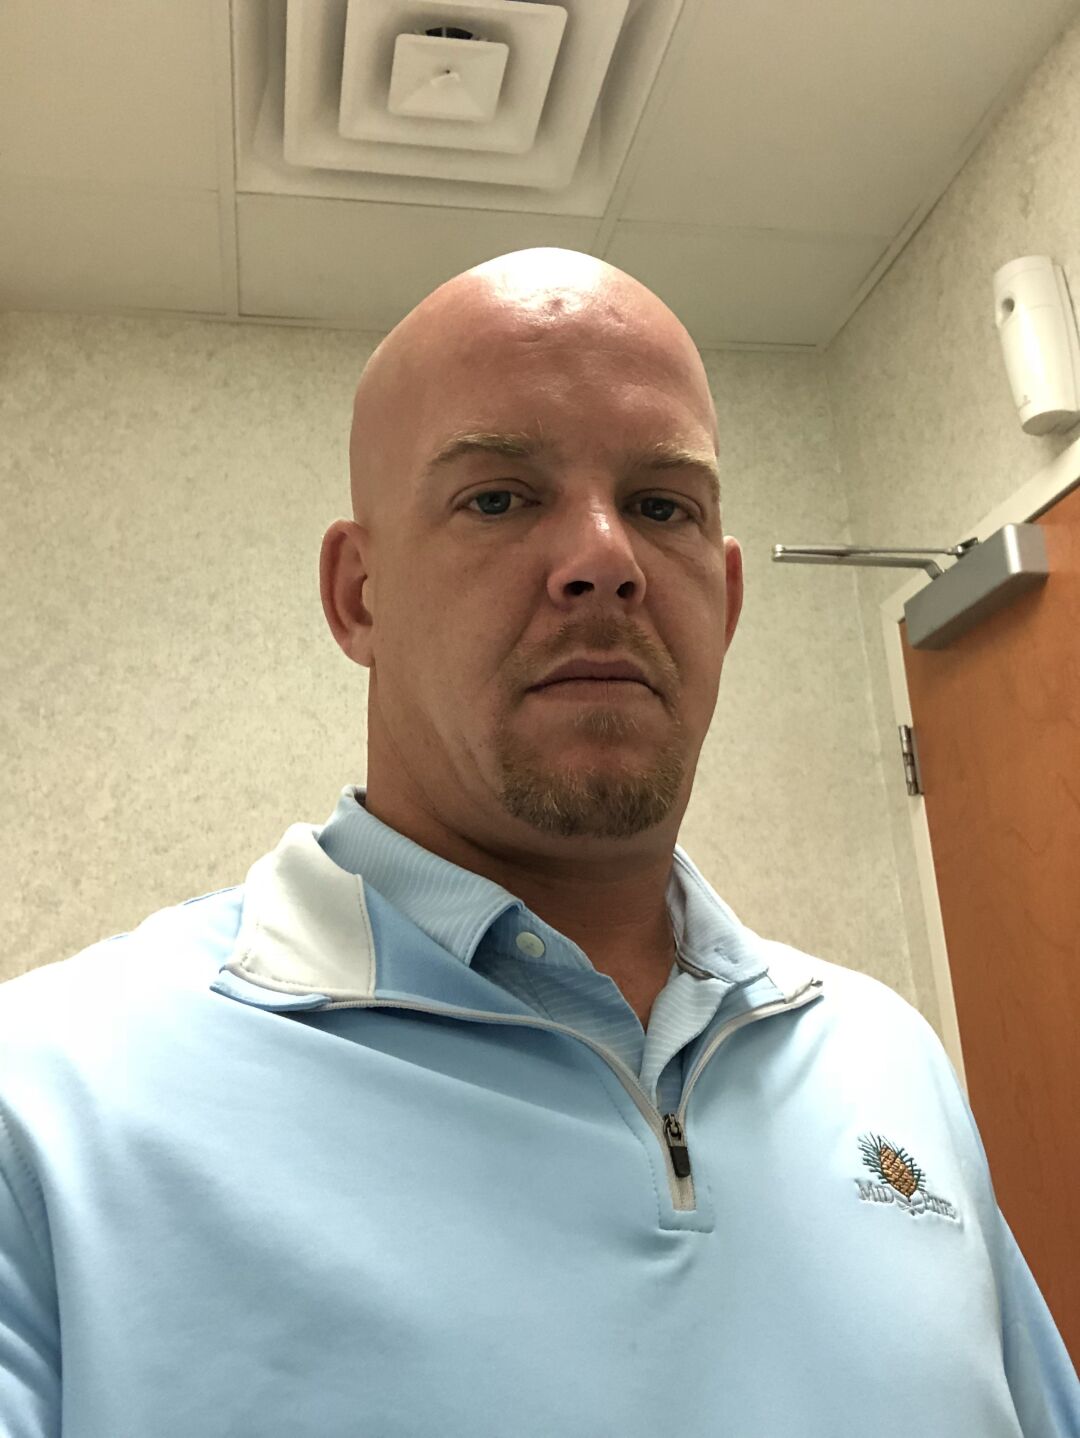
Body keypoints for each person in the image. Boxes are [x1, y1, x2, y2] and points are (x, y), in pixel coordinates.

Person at [0, 248, 1076, 1438]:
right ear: (358, 594)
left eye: (662, 505)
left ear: (725, 599)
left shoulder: (888, 1061)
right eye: (499, 498)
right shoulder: (49, 1106)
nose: (605, 559)